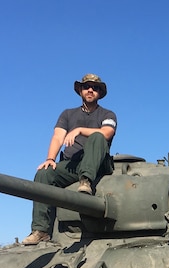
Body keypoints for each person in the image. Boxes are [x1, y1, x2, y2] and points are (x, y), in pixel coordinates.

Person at [22, 73, 117, 245]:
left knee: (96, 137)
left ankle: (86, 181)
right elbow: (58, 137)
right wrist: (50, 158)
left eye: (95, 88)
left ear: (99, 93)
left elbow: (106, 133)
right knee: (44, 174)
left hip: (98, 165)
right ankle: (40, 230)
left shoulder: (107, 114)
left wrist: (80, 129)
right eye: (87, 86)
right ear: (80, 90)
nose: (90, 90)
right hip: (73, 165)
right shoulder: (67, 114)